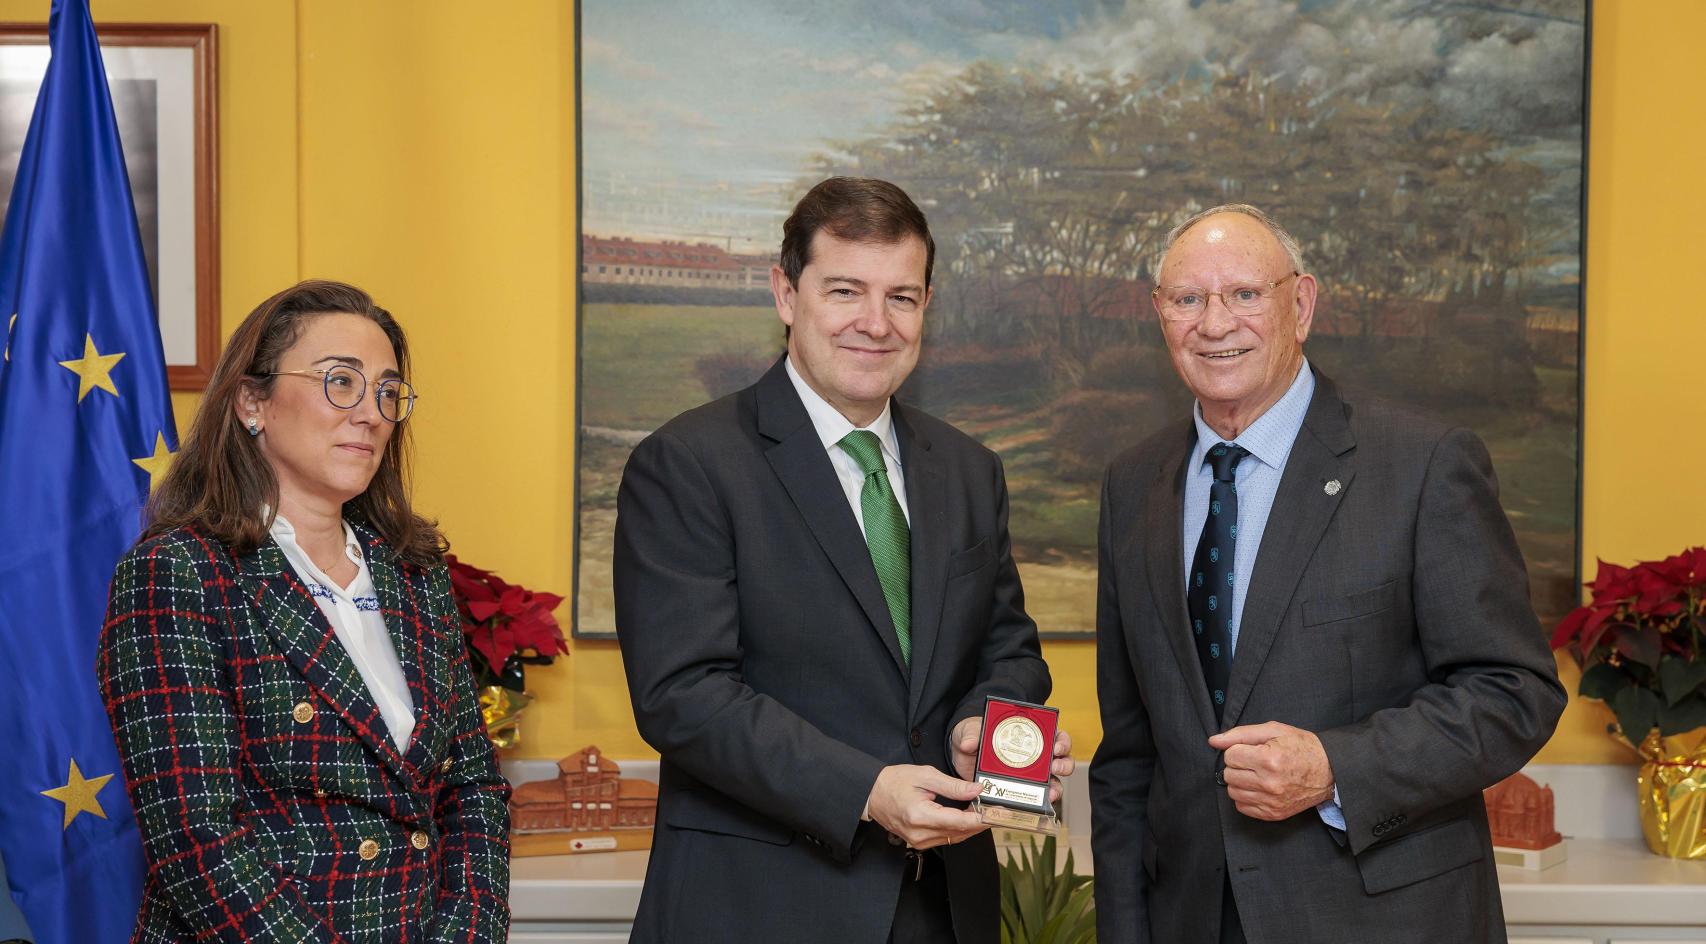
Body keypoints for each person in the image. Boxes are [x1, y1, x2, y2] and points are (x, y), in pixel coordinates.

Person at [1088, 205, 1566, 944]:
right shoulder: (1131, 486)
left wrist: (1333, 768)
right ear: (1160, 315)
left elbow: (1514, 692)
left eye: (1245, 294)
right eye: (1188, 300)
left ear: (1301, 304)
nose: (1215, 324)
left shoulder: (1423, 464)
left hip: (1382, 920)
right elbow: (1127, 757)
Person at [614, 177, 1069, 944]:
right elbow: (682, 693)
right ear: (786, 294)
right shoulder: (687, 463)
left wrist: (974, 727)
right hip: (760, 910)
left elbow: (1009, 650)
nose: (875, 323)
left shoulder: (967, 469)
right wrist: (866, 790)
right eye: (845, 290)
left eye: (902, 297)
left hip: (944, 908)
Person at [96, 280, 511, 942]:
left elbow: (474, 792)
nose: (370, 413)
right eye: (339, 382)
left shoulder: (416, 573)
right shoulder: (179, 573)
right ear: (252, 401)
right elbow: (197, 841)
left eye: (385, 391)